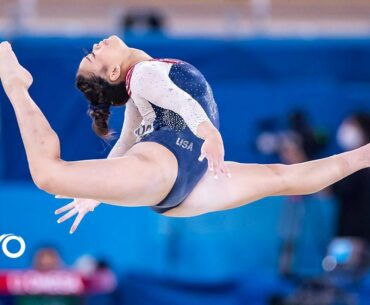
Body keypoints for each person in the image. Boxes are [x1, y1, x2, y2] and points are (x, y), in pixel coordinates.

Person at [0, 37, 369, 235]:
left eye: (89, 53)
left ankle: (364, 156)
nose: (94, 47)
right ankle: (17, 86)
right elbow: (180, 102)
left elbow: (125, 145)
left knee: (285, 178)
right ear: (114, 71)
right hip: (179, 164)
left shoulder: (137, 92)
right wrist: (210, 133)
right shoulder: (142, 73)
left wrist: (93, 194)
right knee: (48, 175)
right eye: (94, 58)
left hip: (185, 182)